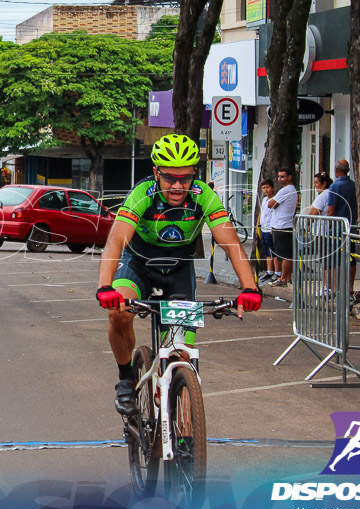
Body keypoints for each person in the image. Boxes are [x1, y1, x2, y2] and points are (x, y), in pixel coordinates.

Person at [96, 134, 261, 416]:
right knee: (119, 313)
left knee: (181, 356)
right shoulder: (143, 194)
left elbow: (230, 242)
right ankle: (126, 378)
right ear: (155, 173)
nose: (177, 186)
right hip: (137, 265)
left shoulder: (202, 195)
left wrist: (250, 288)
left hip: (179, 269)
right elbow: (116, 241)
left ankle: (183, 432)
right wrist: (104, 286)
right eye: (170, 177)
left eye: (185, 178)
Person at [327, 159, 359, 296]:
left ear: (336, 170)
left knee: (335, 258)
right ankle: (350, 287)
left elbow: (331, 209)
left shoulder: (335, 186)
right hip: (352, 226)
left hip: (338, 227)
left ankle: (335, 288)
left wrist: (329, 225)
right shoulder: (353, 185)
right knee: (351, 256)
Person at [267, 167, 298, 287]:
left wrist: (274, 202)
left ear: (290, 177)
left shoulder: (286, 190)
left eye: (283, 176)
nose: (280, 179)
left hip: (282, 225)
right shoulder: (289, 190)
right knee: (284, 253)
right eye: (279, 176)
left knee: (285, 255)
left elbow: (270, 204)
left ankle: (283, 278)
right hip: (282, 225)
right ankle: (287, 277)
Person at [257, 179, 278, 284]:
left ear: (272, 188)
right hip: (264, 228)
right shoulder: (265, 200)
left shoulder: (274, 200)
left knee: (273, 251)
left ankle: (277, 272)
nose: (265, 190)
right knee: (267, 251)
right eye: (264, 188)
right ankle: (270, 270)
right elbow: (261, 212)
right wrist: (258, 224)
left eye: (267, 187)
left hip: (270, 228)